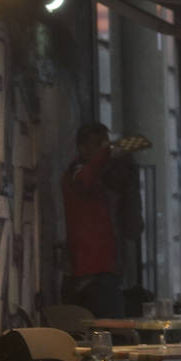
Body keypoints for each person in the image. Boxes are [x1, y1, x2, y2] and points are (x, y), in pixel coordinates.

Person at [61, 123, 147, 317]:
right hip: (91, 272)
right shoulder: (77, 173)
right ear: (82, 148)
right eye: (97, 144)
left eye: (104, 143)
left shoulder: (100, 176)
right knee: (112, 332)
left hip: (103, 270)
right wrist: (108, 151)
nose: (102, 148)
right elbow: (85, 179)